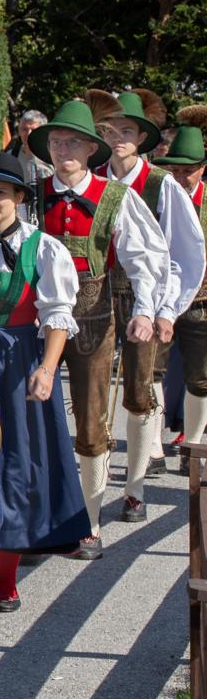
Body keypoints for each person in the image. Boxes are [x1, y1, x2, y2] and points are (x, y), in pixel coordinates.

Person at [0, 152, 91, 612]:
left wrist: (47, 370)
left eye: (0, 194)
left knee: (16, 469)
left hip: (19, 364)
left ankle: (5, 578)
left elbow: (58, 318)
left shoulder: (46, 249)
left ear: (21, 198)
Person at [32, 96, 166, 558]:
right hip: (35, 320)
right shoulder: (31, 194)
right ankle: (37, 521)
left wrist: (147, 310)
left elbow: (147, 259)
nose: (63, 149)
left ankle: (88, 522)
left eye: (73, 141)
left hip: (94, 319)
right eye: (56, 141)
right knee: (33, 420)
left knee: (91, 422)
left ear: (92, 149)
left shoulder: (116, 197)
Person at [94, 87, 203, 521]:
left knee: (139, 392)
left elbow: (187, 252)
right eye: (109, 129)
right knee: (94, 396)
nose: (118, 136)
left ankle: (135, 489)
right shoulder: (92, 178)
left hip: (145, 296)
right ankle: (93, 491)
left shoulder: (161, 184)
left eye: (127, 130)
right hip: (95, 295)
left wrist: (168, 309)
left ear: (142, 138)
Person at [161, 108, 207, 447]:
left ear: (202, 169)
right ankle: (151, 448)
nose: (180, 177)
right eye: (175, 169)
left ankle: (193, 445)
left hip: (202, 302)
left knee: (200, 378)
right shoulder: (156, 198)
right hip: (159, 299)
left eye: (188, 171)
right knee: (148, 375)